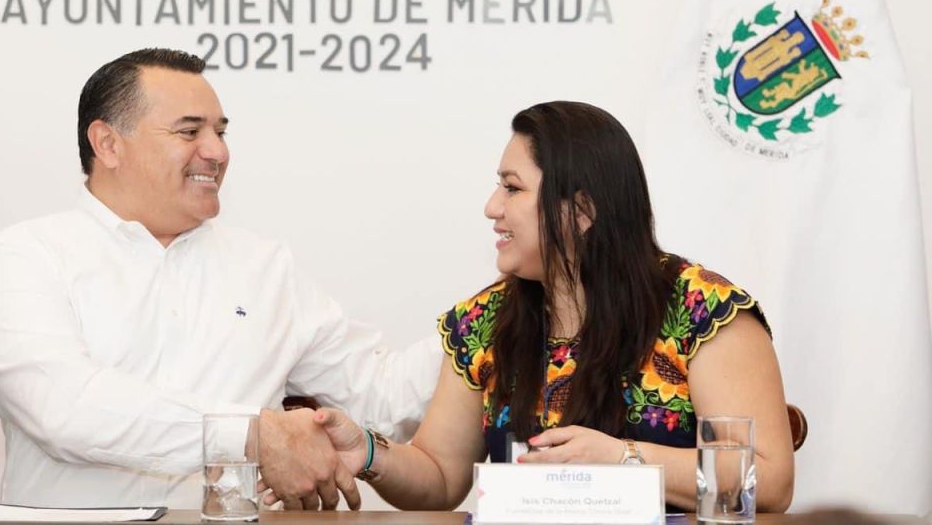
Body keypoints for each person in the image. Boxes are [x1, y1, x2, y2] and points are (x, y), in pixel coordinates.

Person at [0, 48, 440, 510]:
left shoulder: (265, 268)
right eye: (189, 131)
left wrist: (478, 322)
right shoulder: (26, 257)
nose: (217, 151)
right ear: (108, 144)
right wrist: (253, 435)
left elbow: (383, 396)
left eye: (220, 131)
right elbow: (65, 408)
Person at [308, 101, 795, 512]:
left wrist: (621, 459)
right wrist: (367, 452)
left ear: (581, 211)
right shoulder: (484, 322)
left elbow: (768, 481)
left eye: (512, 187)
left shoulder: (703, 311)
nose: (492, 207)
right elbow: (439, 477)